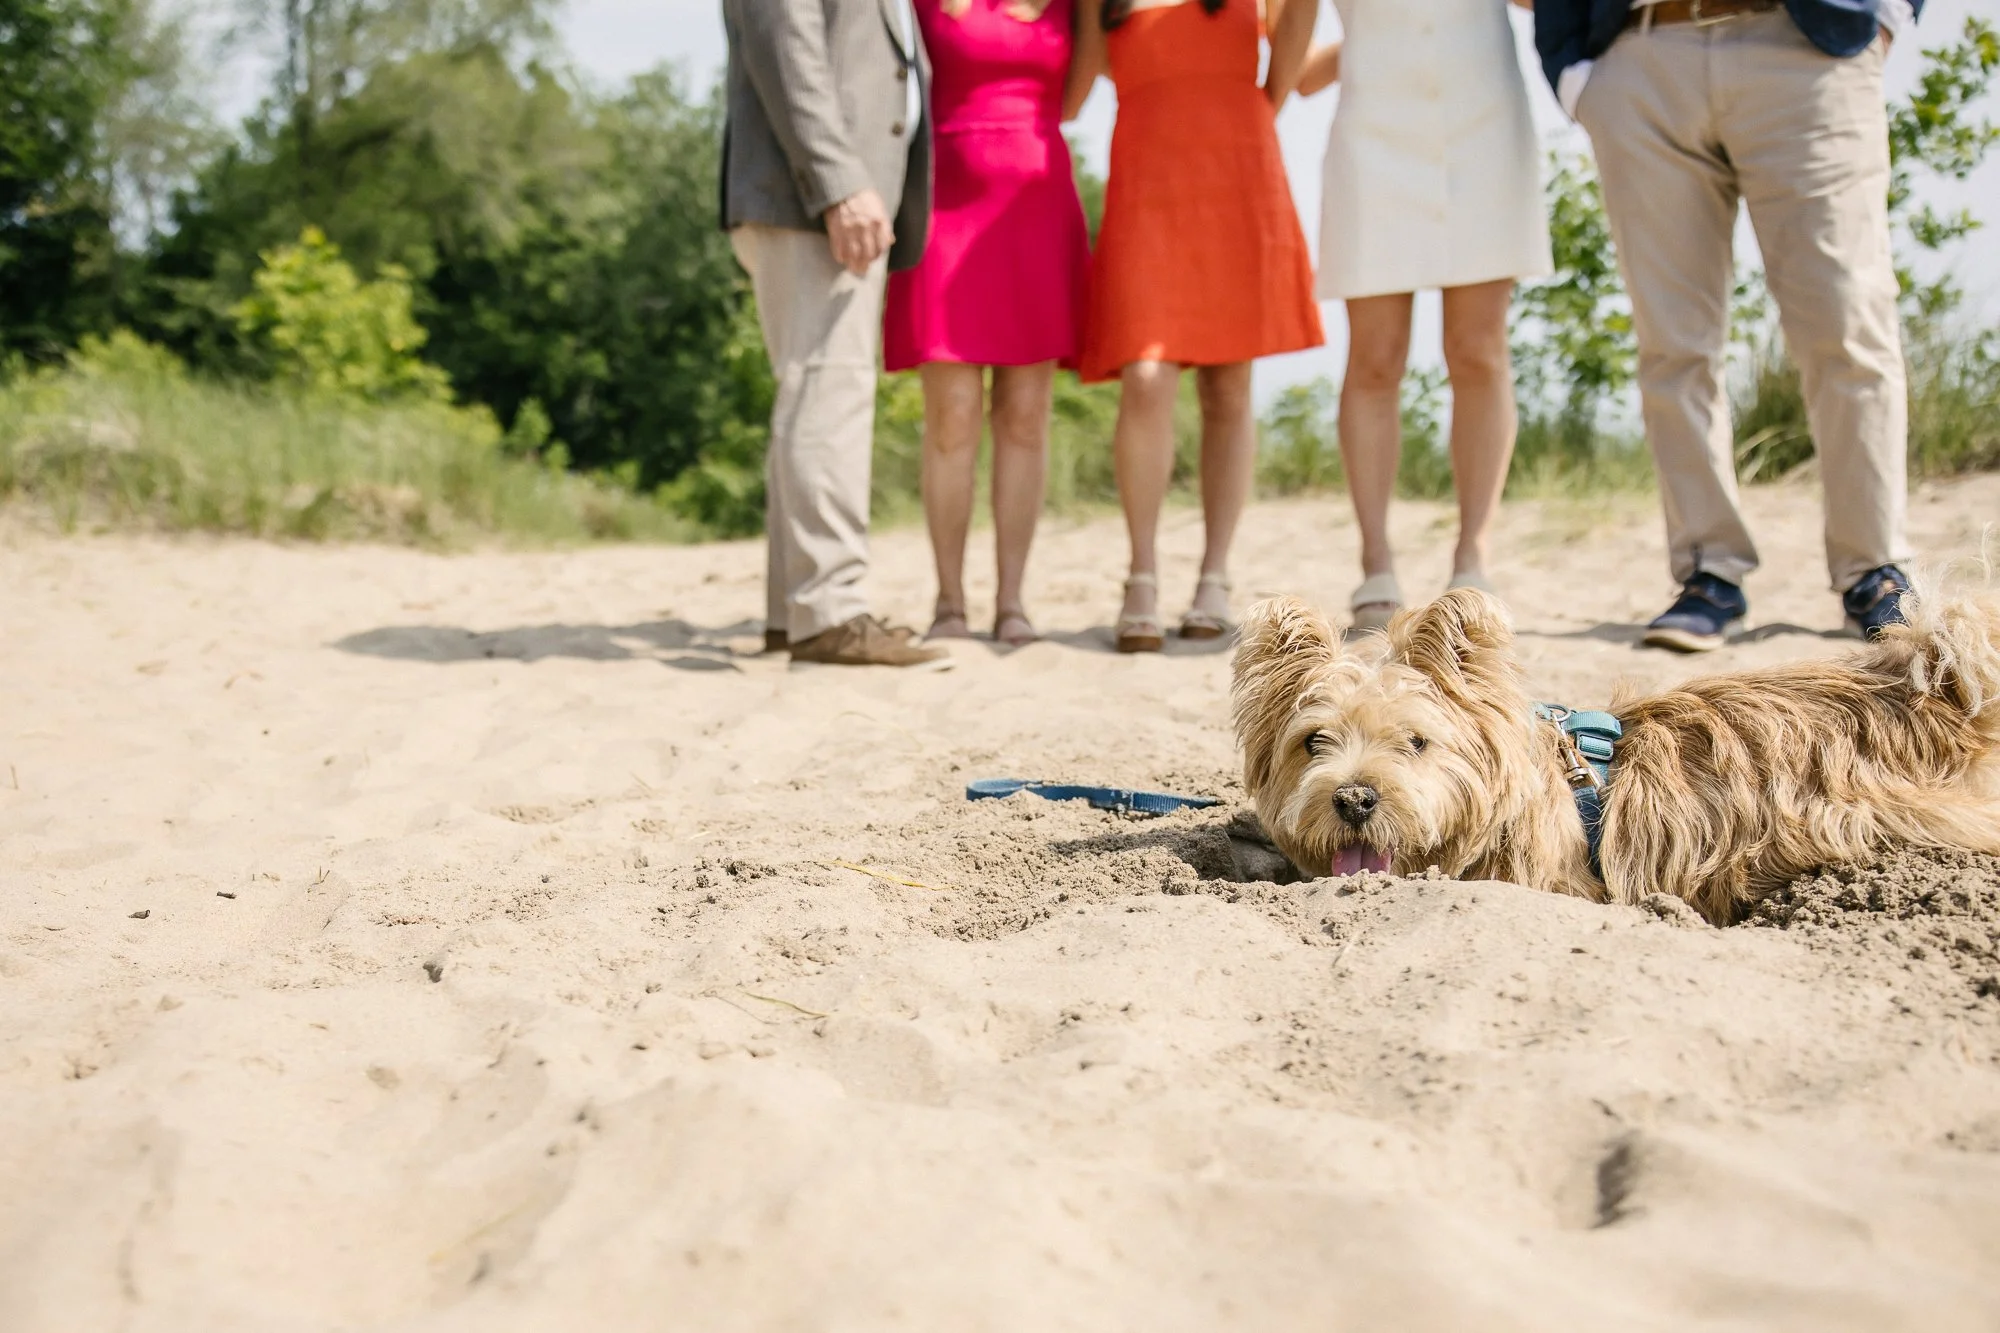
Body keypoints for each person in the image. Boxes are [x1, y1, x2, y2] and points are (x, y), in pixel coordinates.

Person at [1533, 0, 1921, 651]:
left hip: (1807, 47)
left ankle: (1875, 566)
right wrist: (1574, 74)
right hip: (1643, 56)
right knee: (1672, 343)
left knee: (1848, 322)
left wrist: (1886, 15)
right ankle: (1709, 572)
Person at [1069, 0, 1323, 653]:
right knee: (1146, 376)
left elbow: (1290, 49)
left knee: (1228, 383)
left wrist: (1246, 110)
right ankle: (1141, 575)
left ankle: (1215, 576)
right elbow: (1075, 85)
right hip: (1147, 176)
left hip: (1238, 161)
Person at [1299, 0, 1551, 632]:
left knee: (1478, 350)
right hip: (1373, 132)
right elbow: (1299, 67)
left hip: (1486, 124)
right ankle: (1375, 560)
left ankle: (1473, 557)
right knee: (1375, 358)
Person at [720, 0, 948, 668]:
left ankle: (794, 612)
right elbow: (785, 44)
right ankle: (828, 611)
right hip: (812, 197)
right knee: (829, 391)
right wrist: (840, 184)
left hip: (813, 195)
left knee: (814, 392)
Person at [883, 0, 1093, 648]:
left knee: (1026, 413)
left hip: (1035, 205)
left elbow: (1075, 98)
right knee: (951, 414)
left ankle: (1012, 601)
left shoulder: (1072, 4)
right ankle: (948, 601)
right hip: (943, 200)